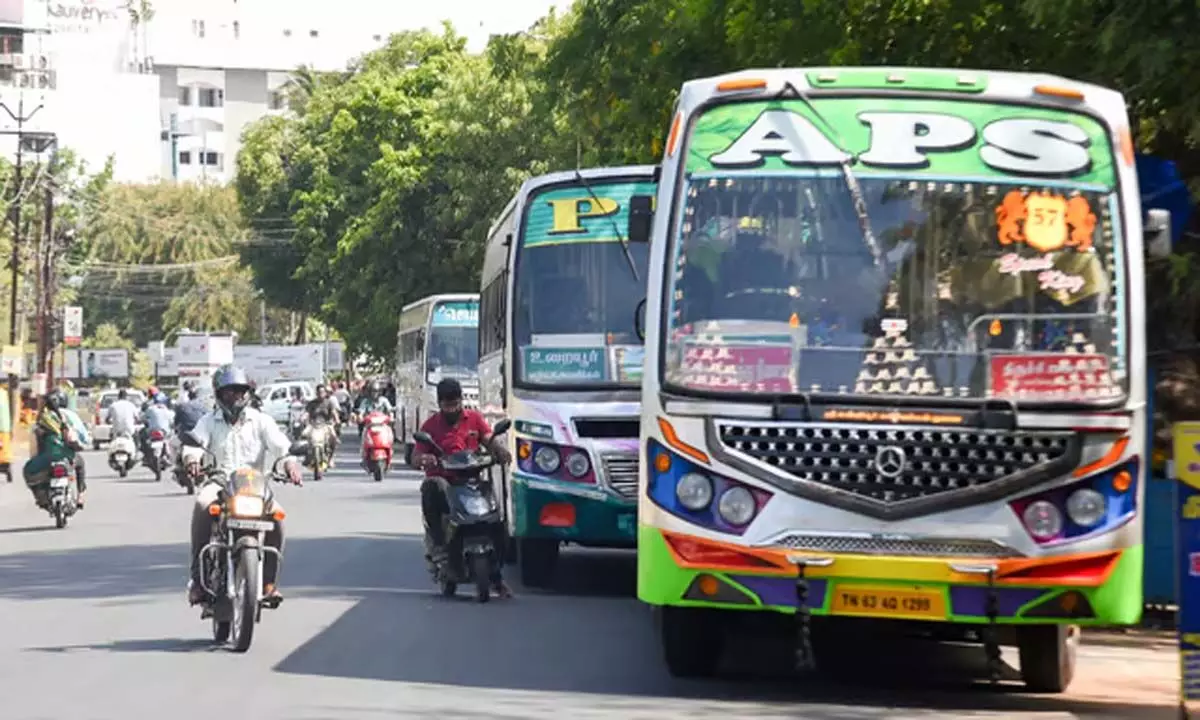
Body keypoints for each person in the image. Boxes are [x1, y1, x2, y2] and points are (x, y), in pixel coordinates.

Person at [186, 364, 303, 607]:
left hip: (254, 486)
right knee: (201, 504)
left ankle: (269, 584)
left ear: (247, 393)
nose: (234, 397)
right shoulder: (208, 421)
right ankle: (198, 580)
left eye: (239, 392)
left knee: (279, 519)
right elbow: (194, 446)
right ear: (219, 395)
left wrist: (290, 465)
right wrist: (192, 460)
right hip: (220, 483)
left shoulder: (262, 421)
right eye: (228, 392)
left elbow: (282, 448)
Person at [411, 378, 512, 597]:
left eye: (455, 404)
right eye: (447, 405)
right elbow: (416, 456)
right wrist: (424, 459)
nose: (451, 409)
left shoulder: (474, 419)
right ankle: (439, 545)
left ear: (461, 401)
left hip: (472, 479)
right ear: (439, 404)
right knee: (431, 485)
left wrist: (499, 451)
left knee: (495, 514)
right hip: (445, 481)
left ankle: (497, 577)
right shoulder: (430, 426)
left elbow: (488, 438)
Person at [28, 389, 87, 508]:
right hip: (66, 456)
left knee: (29, 472)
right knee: (80, 464)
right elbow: (81, 437)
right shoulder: (69, 417)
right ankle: (80, 496)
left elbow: (34, 445)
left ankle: (41, 497)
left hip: (45, 459)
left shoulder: (41, 419)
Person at [305, 384, 340, 460]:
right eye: (319, 392)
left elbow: (334, 412)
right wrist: (303, 417)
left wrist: (337, 419)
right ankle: (307, 456)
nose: (321, 394)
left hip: (326, 424)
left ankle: (330, 458)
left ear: (325, 393)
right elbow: (307, 413)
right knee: (304, 436)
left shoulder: (329, 403)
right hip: (313, 425)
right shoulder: (311, 403)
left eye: (322, 392)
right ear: (316, 393)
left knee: (334, 437)